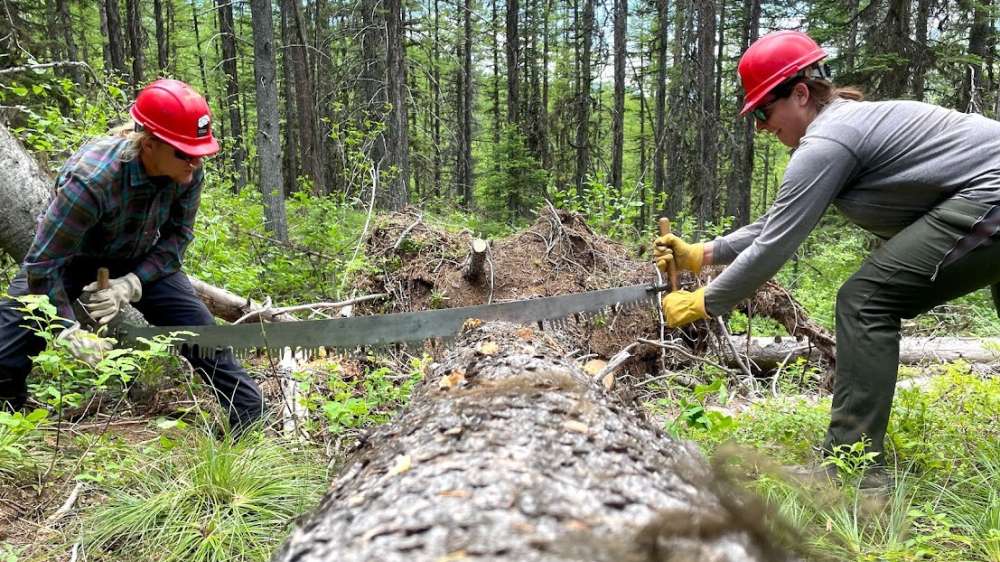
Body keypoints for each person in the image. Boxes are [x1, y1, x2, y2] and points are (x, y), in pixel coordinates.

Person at [653, 30, 1000, 483]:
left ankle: (852, 471)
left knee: (866, 301)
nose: (760, 125)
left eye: (764, 110)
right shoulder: (839, 130)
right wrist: (703, 253)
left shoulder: (827, 142)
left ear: (800, 93)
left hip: (990, 192)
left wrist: (705, 302)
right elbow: (777, 223)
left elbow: (775, 244)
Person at [0, 79, 263, 434]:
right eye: (185, 153)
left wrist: (132, 284)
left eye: (199, 152)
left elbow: (177, 237)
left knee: (204, 337)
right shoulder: (91, 180)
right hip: (72, 260)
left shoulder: (187, 171)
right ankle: (9, 424)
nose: (195, 162)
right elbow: (43, 265)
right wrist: (67, 330)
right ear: (150, 145)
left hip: (140, 258)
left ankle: (248, 422)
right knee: (8, 348)